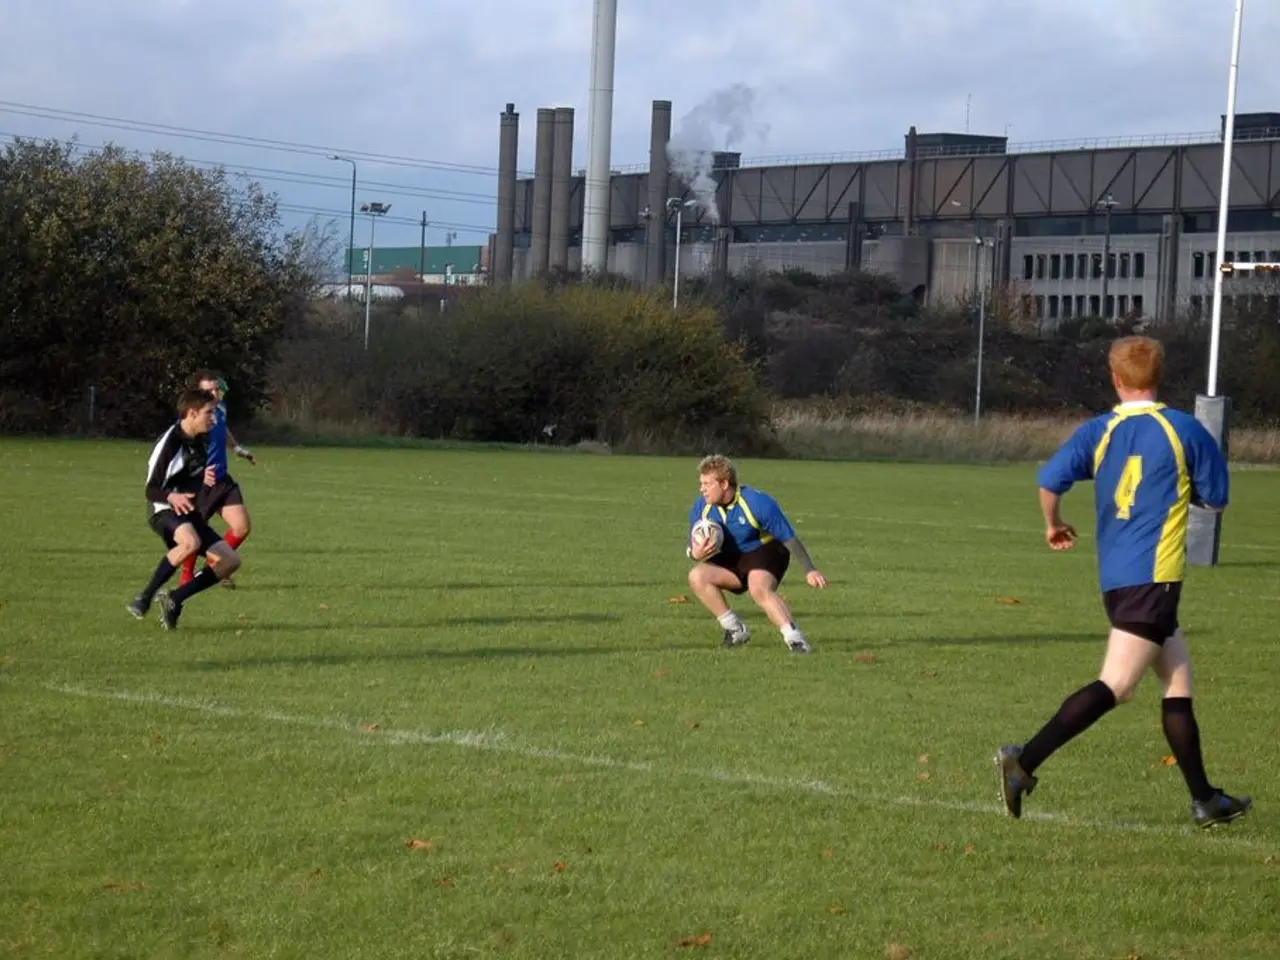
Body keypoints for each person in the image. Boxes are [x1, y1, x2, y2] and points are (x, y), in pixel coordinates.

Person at [995, 335, 1250, 829]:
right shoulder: (1183, 429)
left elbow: (1049, 482)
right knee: (1117, 685)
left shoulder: (1099, 430)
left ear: (1115, 379)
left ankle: (1205, 800)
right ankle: (1023, 762)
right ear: (1160, 376)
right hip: (1154, 580)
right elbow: (1216, 500)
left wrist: (1053, 524)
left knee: (1178, 683)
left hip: (1117, 578)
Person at [686, 454, 827, 653]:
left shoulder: (757, 502)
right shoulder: (702, 507)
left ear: (724, 484)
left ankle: (796, 640)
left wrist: (809, 569)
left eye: (707, 484)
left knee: (758, 587)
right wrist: (696, 553)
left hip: (766, 550)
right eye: (701, 484)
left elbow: (789, 538)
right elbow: (692, 548)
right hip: (732, 555)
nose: (702, 489)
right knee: (697, 576)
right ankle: (735, 629)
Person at [126, 388, 243, 629]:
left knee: (230, 560)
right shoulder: (169, 442)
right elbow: (151, 489)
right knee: (190, 543)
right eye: (209, 412)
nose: (214, 418)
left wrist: (202, 478)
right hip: (162, 508)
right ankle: (144, 598)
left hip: (186, 511)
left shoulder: (203, 438)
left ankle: (175, 598)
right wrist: (172, 496)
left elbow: (190, 474)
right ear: (192, 413)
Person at [178, 370, 255, 589]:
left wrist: (237, 449)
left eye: (216, 389)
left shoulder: (219, 408)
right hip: (200, 484)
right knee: (194, 533)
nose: (214, 393)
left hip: (222, 480)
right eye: (209, 390)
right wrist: (199, 471)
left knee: (241, 527)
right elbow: (181, 449)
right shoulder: (192, 417)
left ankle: (214, 565)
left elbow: (223, 429)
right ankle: (186, 579)